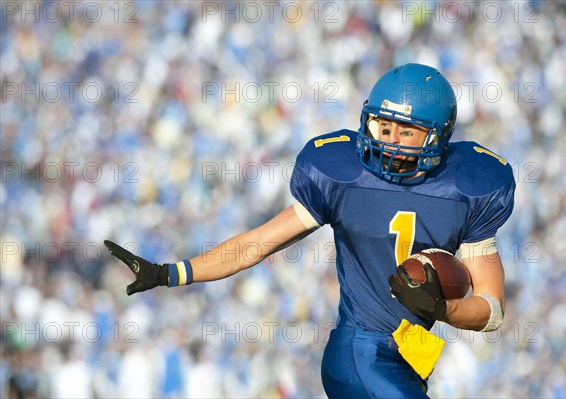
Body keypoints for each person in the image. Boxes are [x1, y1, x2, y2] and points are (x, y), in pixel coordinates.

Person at [105, 63, 515, 398]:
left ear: (439, 136)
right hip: (358, 352)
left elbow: (492, 309)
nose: (390, 141)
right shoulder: (342, 174)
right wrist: (171, 272)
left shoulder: (468, 185)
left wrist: (444, 310)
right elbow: (257, 244)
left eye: (406, 132)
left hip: (412, 357)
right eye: (383, 127)